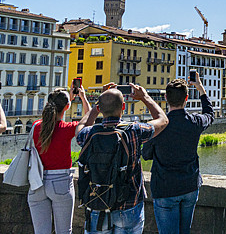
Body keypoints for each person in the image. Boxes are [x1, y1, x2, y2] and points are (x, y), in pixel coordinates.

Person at [76, 83, 169, 234]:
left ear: (100, 108)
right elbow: (163, 120)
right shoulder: (134, 131)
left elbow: (81, 125)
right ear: (123, 106)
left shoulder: (89, 134)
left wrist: (96, 106)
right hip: (128, 205)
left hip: (97, 203)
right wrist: (145, 97)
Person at [142, 72, 214, 234]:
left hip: (165, 188)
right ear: (186, 98)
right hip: (189, 186)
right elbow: (210, 114)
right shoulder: (195, 122)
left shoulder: (158, 127)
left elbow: (145, 154)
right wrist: (200, 87)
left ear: (166, 98)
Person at [27, 86, 90, 234]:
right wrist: (83, 98)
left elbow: (52, 119)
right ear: (67, 107)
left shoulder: (36, 126)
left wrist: (66, 101)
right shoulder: (67, 128)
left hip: (37, 182)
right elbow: (88, 122)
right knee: (63, 231)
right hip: (60, 182)